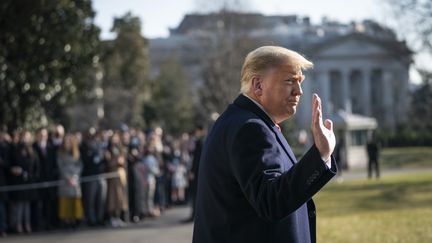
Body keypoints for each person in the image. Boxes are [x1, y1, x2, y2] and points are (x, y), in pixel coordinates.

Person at [192, 46, 337, 243]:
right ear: (258, 85)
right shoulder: (249, 128)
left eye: (300, 82)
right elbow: (271, 201)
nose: (299, 91)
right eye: (290, 81)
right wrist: (320, 154)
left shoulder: (244, 121)